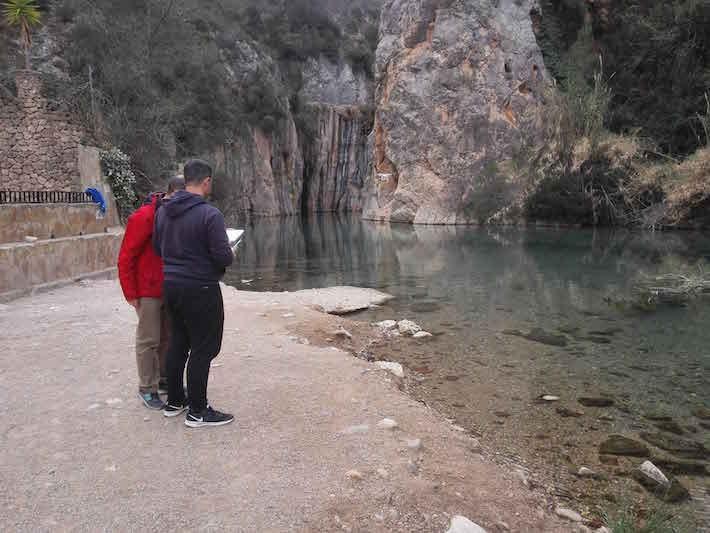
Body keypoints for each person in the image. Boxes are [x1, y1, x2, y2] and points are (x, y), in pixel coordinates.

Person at [153, 159, 235, 428]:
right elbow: (223, 256)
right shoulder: (210, 215)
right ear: (206, 181)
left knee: (179, 342)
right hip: (200, 288)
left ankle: (175, 401)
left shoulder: (163, 212)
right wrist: (229, 253)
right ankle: (198, 411)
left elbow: (157, 249)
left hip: (171, 286)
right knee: (204, 348)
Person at [118, 176, 185, 409]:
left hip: (170, 286)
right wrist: (131, 294)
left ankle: (165, 380)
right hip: (148, 289)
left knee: (169, 336)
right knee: (149, 339)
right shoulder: (144, 217)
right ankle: (147, 387)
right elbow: (126, 258)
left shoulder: (176, 215)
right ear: (172, 194)